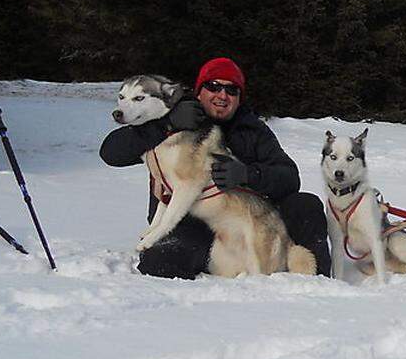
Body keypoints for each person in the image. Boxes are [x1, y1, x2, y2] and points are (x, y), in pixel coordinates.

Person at [100, 57, 331, 279]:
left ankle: (317, 284)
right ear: (199, 91)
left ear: (239, 98)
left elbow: (289, 177)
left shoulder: (251, 129)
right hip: (188, 222)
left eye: (232, 90)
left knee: (305, 205)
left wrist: (247, 175)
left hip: (242, 219)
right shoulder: (166, 118)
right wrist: (167, 125)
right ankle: (208, 289)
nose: (222, 95)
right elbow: (111, 153)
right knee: (158, 262)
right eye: (214, 87)